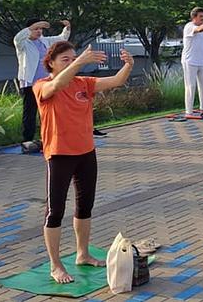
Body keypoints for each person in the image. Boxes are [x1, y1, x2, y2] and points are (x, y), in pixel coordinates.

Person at [34, 41, 134, 284]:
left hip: (86, 152)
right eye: (64, 60)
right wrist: (80, 62)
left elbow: (115, 81)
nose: (71, 62)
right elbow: (57, 84)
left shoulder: (83, 84)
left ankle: (83, 254)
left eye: (73, 58)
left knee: (85, 206)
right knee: (55, 211)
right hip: (59, 155)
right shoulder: (43, 85)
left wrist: (129, 65)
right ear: (51, 64)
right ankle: (55, 265)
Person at [14, 19, 71, 148]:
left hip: (46, 83)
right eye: (36, 29)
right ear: (28, 30)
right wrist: (34, 25)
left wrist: (67, 28)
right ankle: (27, 139)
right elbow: (18, 37)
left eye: (40, 29)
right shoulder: (23, 43)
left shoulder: (44, 41)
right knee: (30, 112)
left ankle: (48, 137)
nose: (39, 32)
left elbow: (62, 39)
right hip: (30, 83)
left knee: (48, 111)